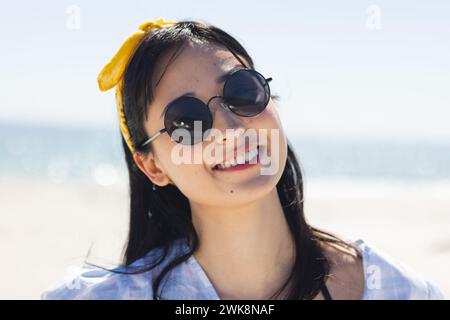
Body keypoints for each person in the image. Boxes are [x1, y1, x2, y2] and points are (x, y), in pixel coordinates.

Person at [41, 18, 445, 300]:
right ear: (152, 165)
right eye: (186, 120)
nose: (230, 129)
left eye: (241, 91)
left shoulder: (394, 289)